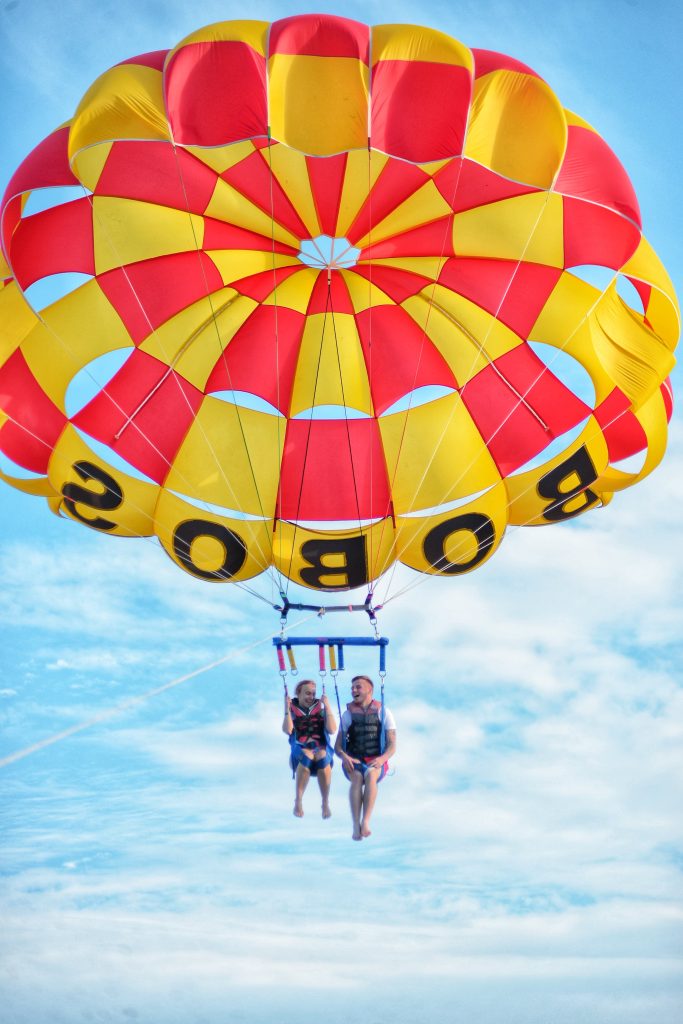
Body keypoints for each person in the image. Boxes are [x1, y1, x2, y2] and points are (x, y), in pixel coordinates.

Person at [334, 674, 396, 841]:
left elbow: (392, 746)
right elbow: (337, 746)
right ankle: (355, 825)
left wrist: (382, 759)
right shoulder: (347, 715)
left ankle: (365, 821)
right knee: (357, 778)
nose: (354, 690)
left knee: (371, 775)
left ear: (370, 689)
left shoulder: (383, 712)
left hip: (376, 760)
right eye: (352, 687)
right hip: (353, 760)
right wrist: (344, 756)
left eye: (358, 686)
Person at [283, 679, 337, 819]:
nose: (311, 697)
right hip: (299, 754)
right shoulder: (292, 711)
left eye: (313, 694)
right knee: (307, 754)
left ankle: (325, 802)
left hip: (320, 752)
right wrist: (286, 709)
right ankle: (298, 800)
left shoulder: (320, 710)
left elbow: (332, 729)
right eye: (307, 693)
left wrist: (328, 706)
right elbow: (288, 730)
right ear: (298, 694)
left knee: (322, 755)